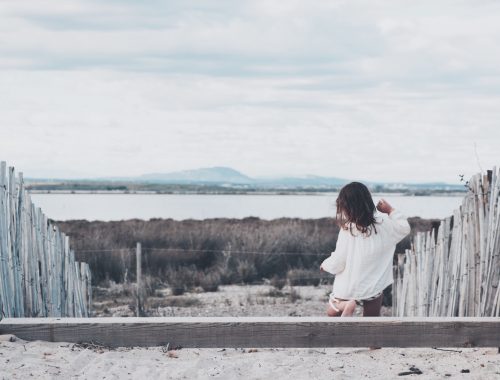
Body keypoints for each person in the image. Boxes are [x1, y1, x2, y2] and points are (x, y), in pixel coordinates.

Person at [320, 182, 410, 317]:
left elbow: (339, 260)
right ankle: (369, 335)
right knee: (372, 318)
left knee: (332, 312)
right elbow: (404, 228)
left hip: (348, 286)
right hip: (373, 286)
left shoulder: (348, 229)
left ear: (346, 206)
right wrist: (391, 211)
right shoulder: (384, 224)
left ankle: (344, 305)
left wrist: (325, 265)